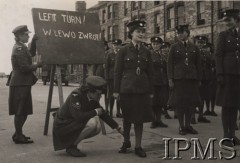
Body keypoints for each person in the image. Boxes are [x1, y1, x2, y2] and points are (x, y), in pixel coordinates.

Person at [53, 76, 123, 157]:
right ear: (90, 91)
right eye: (98, 94)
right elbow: (78, 117)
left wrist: (118, 128)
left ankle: (72, 145)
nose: (100, 97)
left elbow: (103, 114)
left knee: (97, 128)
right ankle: (71, 147)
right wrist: (95, 111)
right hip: (62, 125)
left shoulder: (92, 99)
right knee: (92, 124)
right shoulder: (76, 95)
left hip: (71, 124)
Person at [113, 20, 154, 157]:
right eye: (138, 32)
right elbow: (117, 72)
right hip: (127, 89)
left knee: (140, 118)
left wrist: (151, 91)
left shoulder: (147, 51)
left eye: (143, 32)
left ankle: (138, 146)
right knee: (127, 117)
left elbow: (150, 72)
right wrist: (115, 90)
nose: (141, 34)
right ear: (131, 34)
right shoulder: (123, 50)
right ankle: (126, 141)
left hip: (142, 89)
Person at [8, 25, 42, 144]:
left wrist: (33, 41)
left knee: (24, 110)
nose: (28, 36)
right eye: (26, 34)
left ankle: (18, 133)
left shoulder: (22, 47)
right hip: (20, 83)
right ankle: (18, 135)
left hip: (22, 82)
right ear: (20, 36)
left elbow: (31, 53)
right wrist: (37, 65)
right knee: (20, 110)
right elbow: (24, 68)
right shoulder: (19, 49)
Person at [167, 24, 202, 135]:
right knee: (180, 103)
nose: (180, 35)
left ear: (187, 33)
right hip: (179, 79)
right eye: (178, 33)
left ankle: (188, 125)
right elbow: (169, 64)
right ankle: (181, 126)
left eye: (182, 32)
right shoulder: (174, 47)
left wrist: (199, 79)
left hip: (191, 79)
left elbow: (198, 64)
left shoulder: (194, 47)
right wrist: (170, 79)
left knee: (190, 103)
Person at [215, 9, 240, 147]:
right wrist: (220, 74)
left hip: (238, 75)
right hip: (227, 75)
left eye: (229, 20)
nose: (227, 23)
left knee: (235, 105)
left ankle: (233, 135)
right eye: (225, 21)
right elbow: (218, 55)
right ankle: (226, 135)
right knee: (226, 106)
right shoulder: (223, 35)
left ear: (236, 20)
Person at [149, 37, 168, 128]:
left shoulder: (163, 55)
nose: (155, 46)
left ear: (161, 45)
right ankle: (153, 121)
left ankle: (159, 120)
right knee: (153, 102)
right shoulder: (149, 55)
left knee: (161, 101)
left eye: (157, 44)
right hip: (153, 81)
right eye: (154, 44)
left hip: (162, 81)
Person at [192, 35, 211, 123]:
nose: (200, 44)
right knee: (194, 97)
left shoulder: (206, 53)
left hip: (205, 77)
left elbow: (209, 65)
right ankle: (192, 116)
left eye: (202, 42)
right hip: (195, 78)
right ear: (195, 43)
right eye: (198, 42)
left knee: (203, 96)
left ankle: (200, 115)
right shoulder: (192, 52)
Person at [105, 39, 123, 118]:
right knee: (111, 95)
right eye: (114, 45)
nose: (116, 46)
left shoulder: (122, 55)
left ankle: (118, 112)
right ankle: (111, 112)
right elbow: (106, 67)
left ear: (120, 46)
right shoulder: (110, 55)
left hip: (120, 78)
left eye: (117, 45)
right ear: (112, 46)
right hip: (111, 78)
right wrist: (106, 78)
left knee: (119, 95)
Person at [202, 42, 218, 116]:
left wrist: (214, 68)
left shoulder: (214, 56)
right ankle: (207, 109)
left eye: (207, 48)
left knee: (213, 95)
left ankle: (212, 110)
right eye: (205, 48)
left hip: (213, 78)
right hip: (206, 78)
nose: (206, 49)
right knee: (207, 95)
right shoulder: (202, 55)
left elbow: (216, 65)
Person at [161, 42, 172, 119]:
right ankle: (165, 111)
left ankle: (176, 111)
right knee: (164, 96)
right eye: (163, 48)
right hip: (164, 79)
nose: (165, 49)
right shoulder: (160, 57)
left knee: (173, 95)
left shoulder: (171, 56)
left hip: (172, 78)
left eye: (166, 47)